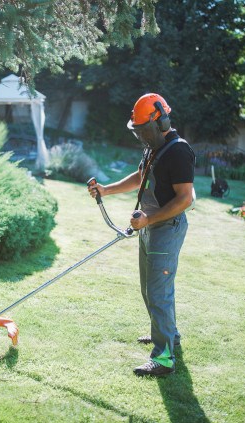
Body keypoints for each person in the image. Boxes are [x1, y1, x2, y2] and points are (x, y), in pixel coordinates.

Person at [88, 93, 195, 377]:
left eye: (144, 130)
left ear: (162, 120)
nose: (142, 136)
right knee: (149, 288)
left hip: (165, 228)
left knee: (159, 292)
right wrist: (106, 190)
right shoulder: (154, 148)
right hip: (149, 226)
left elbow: (186, 199)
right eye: (139, 131)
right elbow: (141, 176)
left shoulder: (178, 150)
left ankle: (163, 359)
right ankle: (167, 334)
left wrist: (149, 218)